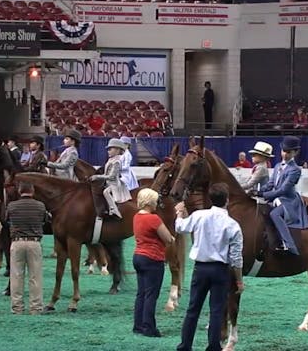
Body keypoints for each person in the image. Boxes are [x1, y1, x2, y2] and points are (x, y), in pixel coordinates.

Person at [174, 183, 244, 351]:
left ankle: (185, 346)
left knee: (193, 309)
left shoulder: (199, 215)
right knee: (217, 311)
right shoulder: (232, 224)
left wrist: (179, 213)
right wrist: (239, 281)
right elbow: (236, 258)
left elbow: (180, 227)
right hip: (220, 270)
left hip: (201, 268)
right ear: (226, 201)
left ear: (211, 199)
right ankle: (213, 346)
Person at [247, 136, 308, 255]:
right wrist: (256, 191)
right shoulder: (277, 166)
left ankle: (289, 245)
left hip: (288, 201)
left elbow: (283, 190)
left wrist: (262, 194)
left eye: (288, 152)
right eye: (283, 151)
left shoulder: (295, 170)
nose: (284, 154)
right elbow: (270, 185)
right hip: (276, 199)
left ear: (295, 152)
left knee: (274, 214)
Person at [0, 182, 47, 314]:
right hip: (34, 242)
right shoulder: (40, 206)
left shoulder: (12, 206)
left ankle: (17, 307)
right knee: (35, 276)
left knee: (16, 276)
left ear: (20, 191)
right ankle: (36, 307)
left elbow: (6, 220)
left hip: (17, 242)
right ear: (33, 191)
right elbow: (45, 220)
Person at [132, 188, 174, 337]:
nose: (157, 203)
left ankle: (138, 325)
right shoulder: (154, 219)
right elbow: (168, 238)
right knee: (151, 294)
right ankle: (149, 327)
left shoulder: (136, 216)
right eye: (155, 201)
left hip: (138, 256)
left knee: (141, 293)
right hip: (152, 258)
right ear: (150, 202)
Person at [89, 139, 131, 219]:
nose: (108, 151)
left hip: (114, 184)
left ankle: (114, 210)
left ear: (118, 150)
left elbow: (111, 176)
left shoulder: (117, 162)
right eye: (108, 149)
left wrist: (97, 177)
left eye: (110, 149)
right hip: (108, 182)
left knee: (106, 192)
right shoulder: (111, 159)